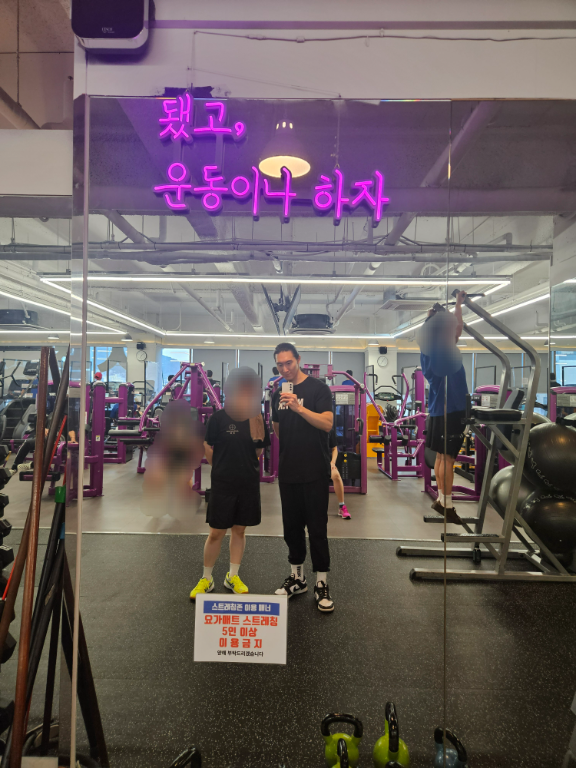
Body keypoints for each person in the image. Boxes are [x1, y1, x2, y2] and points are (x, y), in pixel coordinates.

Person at [190, 367, 270, 601]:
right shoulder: (219, 418)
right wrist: (220, 467)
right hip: (222, 483)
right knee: (216, 532)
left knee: (239, 530)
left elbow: (258, 450)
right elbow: (207, 445)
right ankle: (206, 578)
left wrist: (242, 465)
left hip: (247, 482)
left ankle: (232, 576)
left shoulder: (256, 418)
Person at [271, 342, 335, 612]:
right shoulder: (277, 394)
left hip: (315, 471)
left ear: (299, 359)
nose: (285, 369)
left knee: (317, 530)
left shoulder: (319, 389)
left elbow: (327, 424)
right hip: (288, 471)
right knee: (292, 529)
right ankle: (298, 579)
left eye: (289, 363)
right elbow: (277, 428)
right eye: (280, 365)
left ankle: (321, 583)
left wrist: (298, 408)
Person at [419, 291, 468, 523]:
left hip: (439, 409)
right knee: (448, 459)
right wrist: (458, 304)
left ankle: (442, 499)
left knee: (441, 457)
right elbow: (457, 328)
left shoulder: (428, 349)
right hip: (453, 408)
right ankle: (447, 504)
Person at [329, 428, 351, 519]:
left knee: (336, 476)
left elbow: (334, 449)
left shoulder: (328, 429)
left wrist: (332, 463)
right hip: (310, 462)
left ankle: (342, 506)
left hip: (325, 461)